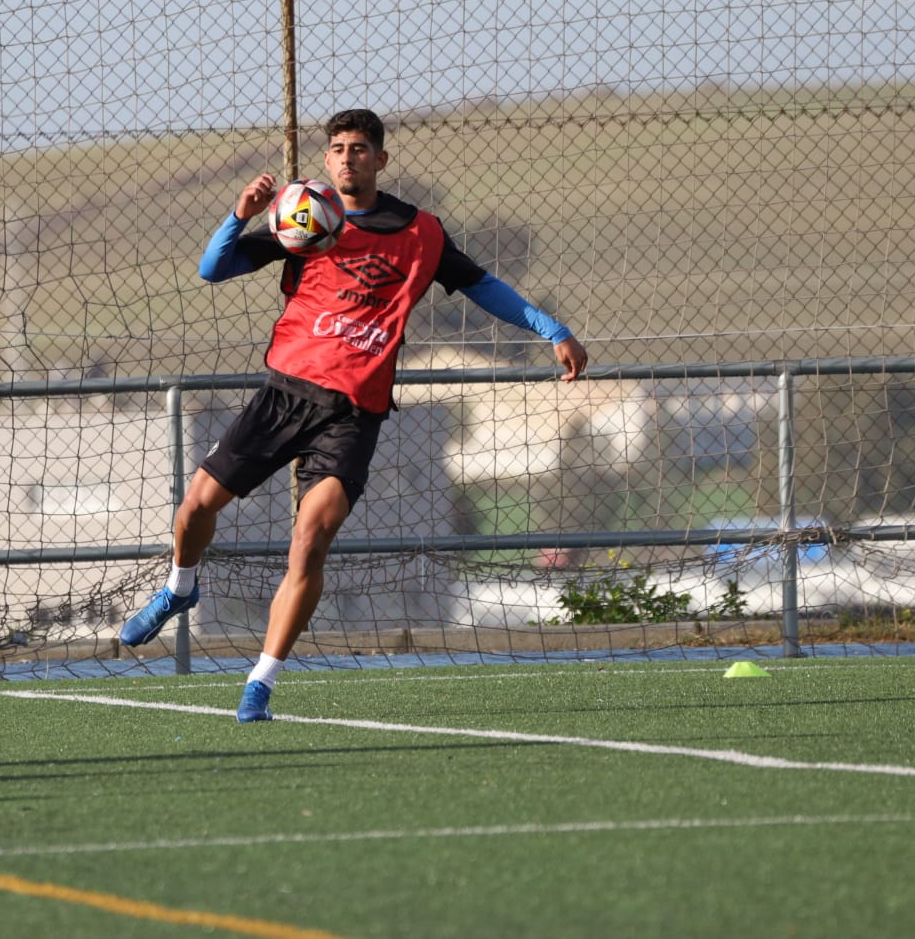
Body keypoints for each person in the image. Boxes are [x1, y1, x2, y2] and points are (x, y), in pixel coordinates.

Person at [118, 108, 589, 721]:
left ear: (380, 160)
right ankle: (180, 588)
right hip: (282, 395)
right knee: (195, 509)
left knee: (310, 540)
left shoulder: (419, 233)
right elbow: (214, 269)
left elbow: (481, 285)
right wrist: (242, 213)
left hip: (352, 414)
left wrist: (552, 329)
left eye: (360, 149)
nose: (347, 158)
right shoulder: (299, 218)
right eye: (338, 148)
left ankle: (262, 680)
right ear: (325, 160)